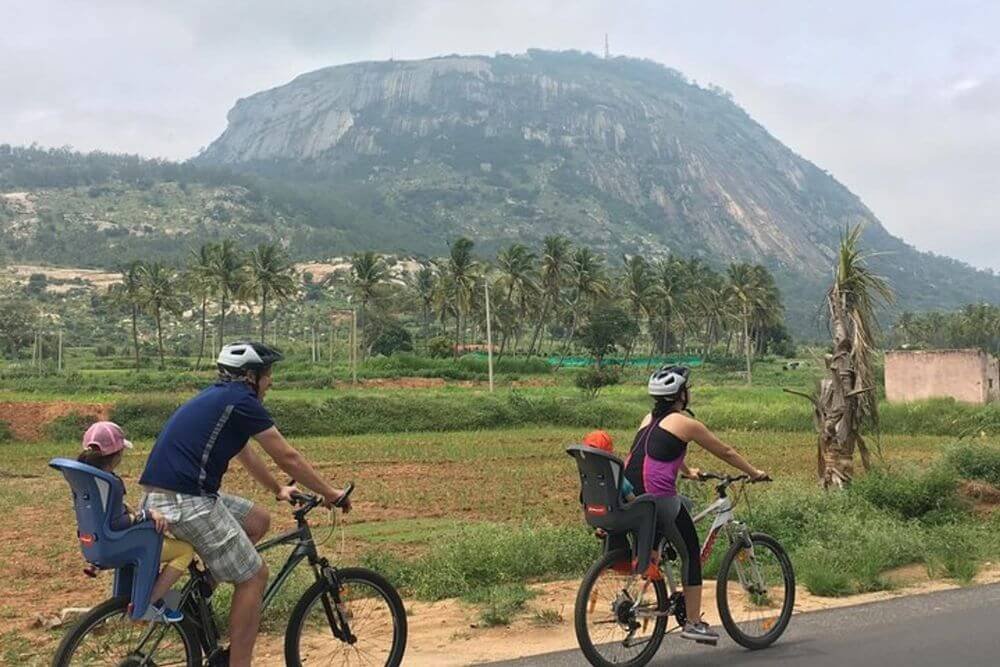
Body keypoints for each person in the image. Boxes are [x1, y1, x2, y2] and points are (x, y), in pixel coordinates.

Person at [139, 341, 351, 667]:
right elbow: (287, 456)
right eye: (268, 376)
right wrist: (331, 493)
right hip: (186, 501)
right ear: (250, 376)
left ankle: (202, 592)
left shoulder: (220, 398)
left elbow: (245, 452)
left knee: (257, 521)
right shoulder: (242, 401)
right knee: (253, 576)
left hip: (173, 495)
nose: (271, 382)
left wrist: (278, 488)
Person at [623, 365, 768, 644]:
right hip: (658, 499)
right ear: (680, 395)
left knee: (684, 506)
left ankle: (659, 563)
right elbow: (726, 451)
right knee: (690, 551)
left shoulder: (647, 420)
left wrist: (687, 472)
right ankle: (693, 622)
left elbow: (656, 453)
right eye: (686, 389)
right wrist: (754, 473)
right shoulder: (687, 424)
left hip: (633, 498)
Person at [76, 421, 192, 623]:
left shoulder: (87, 479)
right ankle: (152, 603)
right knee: (185, 551)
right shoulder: (112, 483)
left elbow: (106, 513)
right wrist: (146, 514)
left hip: (96, 544)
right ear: (117, 455)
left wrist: (130, 510)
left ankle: (140, 597)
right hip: (118, 543)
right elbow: (117, 522)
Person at [582, 429, 635, 500]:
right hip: (615, 510)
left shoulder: (587, 473)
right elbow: (630, 498)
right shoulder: (614, 473)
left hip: (591, 509)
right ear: (609, 453)